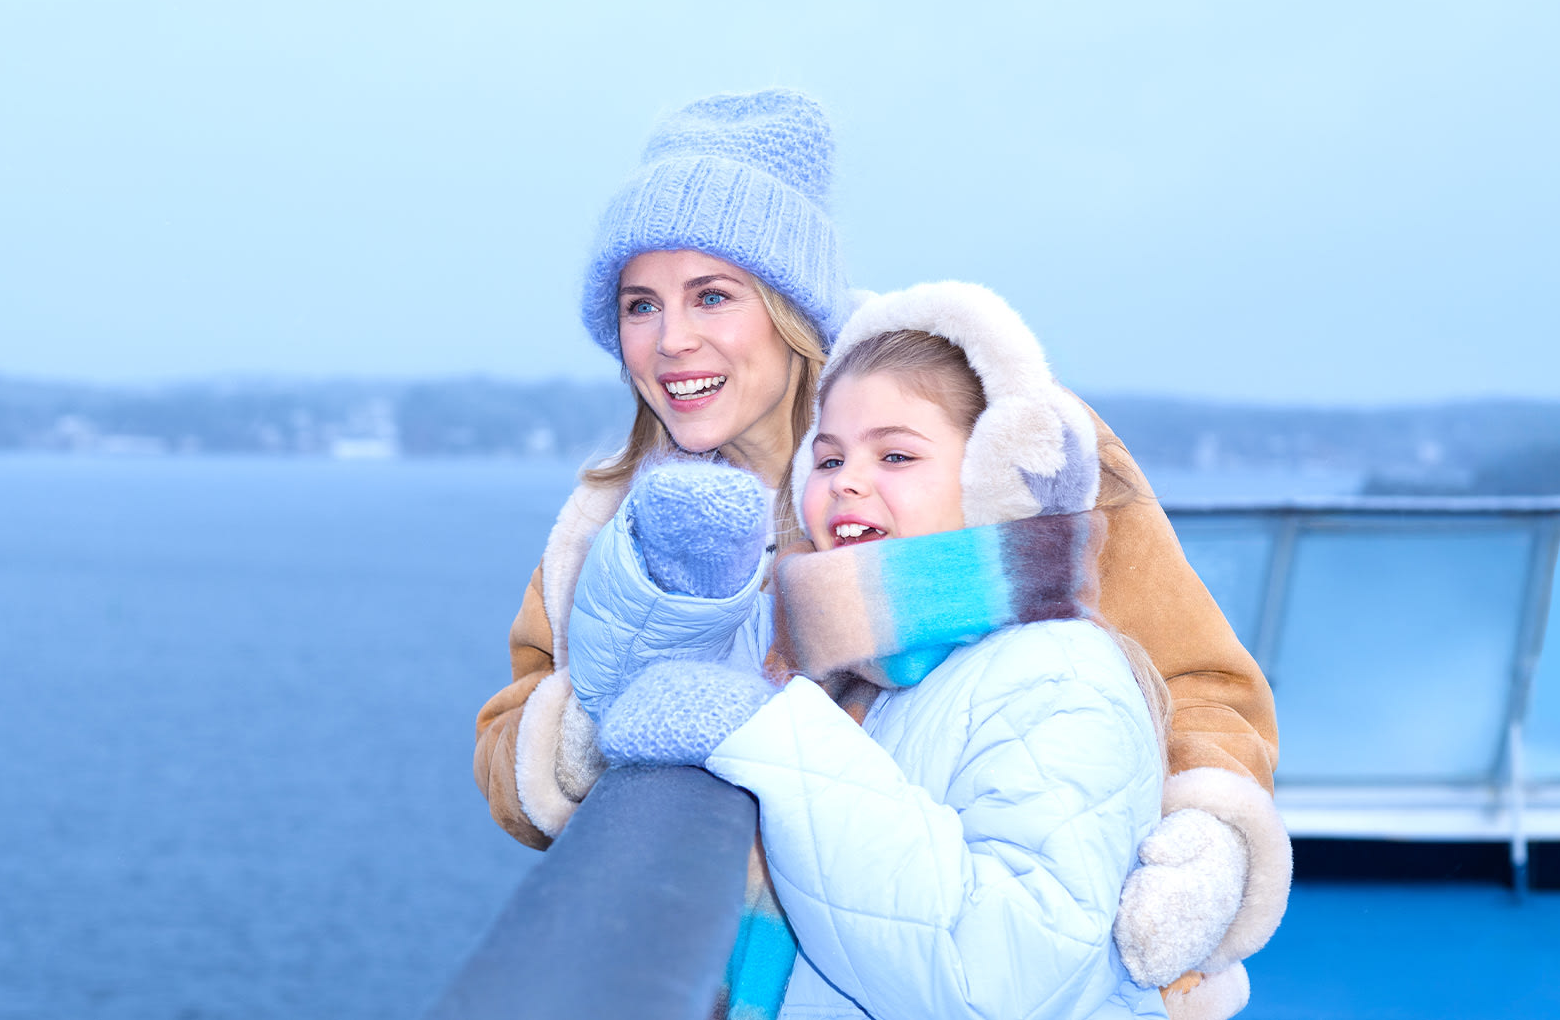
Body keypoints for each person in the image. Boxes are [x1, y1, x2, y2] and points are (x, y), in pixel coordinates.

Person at [471, 89, 1286, 1019]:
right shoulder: (615, 517)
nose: (672, 340)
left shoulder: (985, 433)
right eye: (638, 305)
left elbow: (1198, 673)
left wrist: (1206, 846)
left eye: (713, 296)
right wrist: (617, 725)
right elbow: (509, 734)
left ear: (787, 306)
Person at [594, 283, 1165, 1018]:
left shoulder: (1060, 676)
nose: (849, 481)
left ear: (992, 480)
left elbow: (995, 982)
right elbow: (632, 699)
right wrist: (678, 583)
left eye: (895, 455)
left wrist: (772, 737)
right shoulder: (836, 654)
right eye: (828, 460)